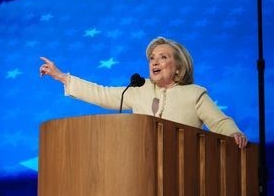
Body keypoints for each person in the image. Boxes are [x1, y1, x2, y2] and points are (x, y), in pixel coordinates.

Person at [39, 36, 248, 148]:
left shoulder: (194, 94)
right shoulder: (139, 89)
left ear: (179, 67)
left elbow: (220, 122)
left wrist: (234, 134)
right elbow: (101, 93)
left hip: (184, 170)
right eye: (152, 58)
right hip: (142, 168)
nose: (155, 61)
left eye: (163, 57)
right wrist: (61, 77)